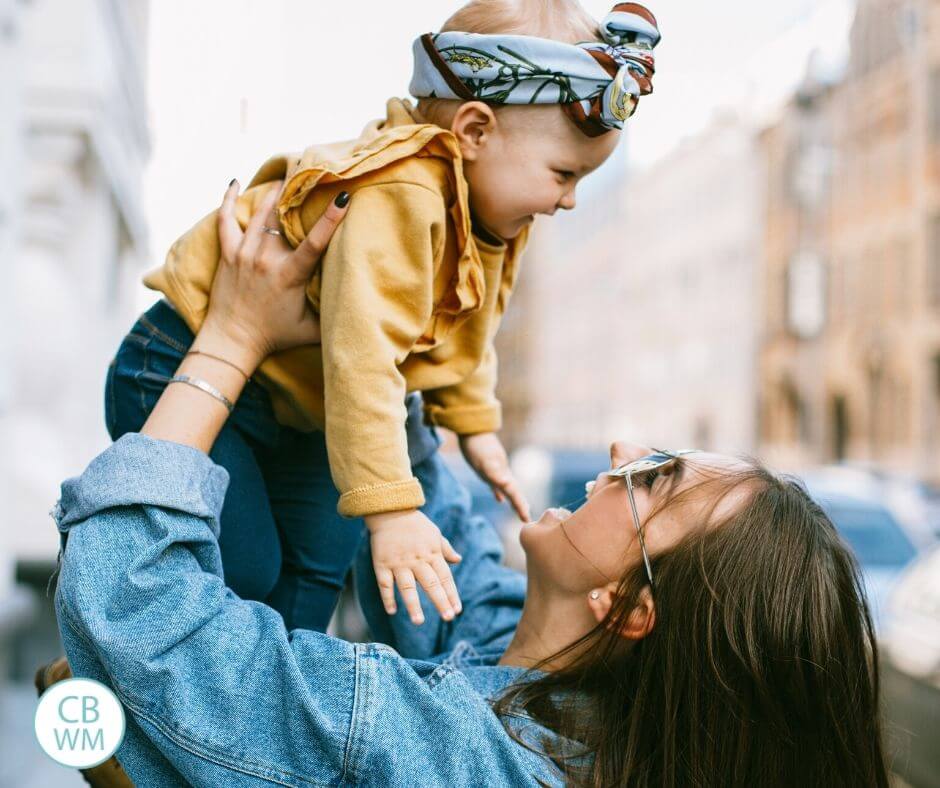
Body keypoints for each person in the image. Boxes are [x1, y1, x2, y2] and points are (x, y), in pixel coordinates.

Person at [50, 179, 890, 787]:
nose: (620, 447)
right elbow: (444, 552)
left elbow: (136, 603)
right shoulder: (559, 697)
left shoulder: (438, 747)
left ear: (632, 609)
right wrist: (381, 315)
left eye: (653, 478)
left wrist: (232, 336)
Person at [105, 0, 661, 633]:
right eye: (564, 173)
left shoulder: (490, 215)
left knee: (317, 562)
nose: (570, 199)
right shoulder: (403, 193)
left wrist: (475, 427)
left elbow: (468, 327)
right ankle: (112, 642)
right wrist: (392, 512)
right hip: (180, 362)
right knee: (249, 567)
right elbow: (363, 358)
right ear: (475, 132)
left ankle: (267, 712)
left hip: (302, 407)